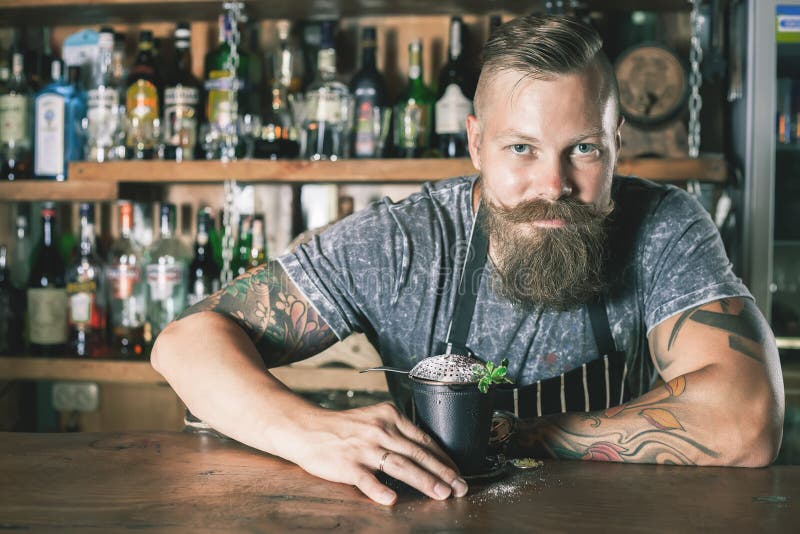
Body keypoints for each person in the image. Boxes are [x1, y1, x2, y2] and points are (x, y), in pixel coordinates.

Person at [151, 15, 784, 506]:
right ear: (477, 143)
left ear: (618, 144)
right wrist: (310, 432)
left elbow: (747, 421)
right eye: (521, 148)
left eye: (583, 149)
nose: (553, 185)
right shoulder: (402, 243)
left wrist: (522, 435)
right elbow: (184, 344)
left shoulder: (664, 226)